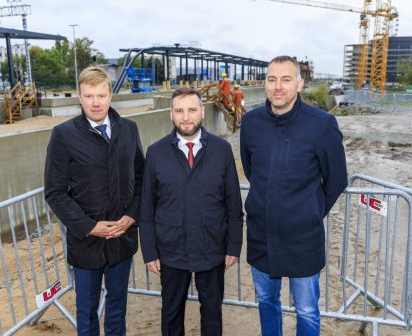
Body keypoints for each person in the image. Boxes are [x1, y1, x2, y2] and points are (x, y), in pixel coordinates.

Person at [240, 56, 348, 336]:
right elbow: (252, 170)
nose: (278, 87)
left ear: (299, 84)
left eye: (286, 79)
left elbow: (337, 179)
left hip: (303, 238)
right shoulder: (251, 123)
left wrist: (310, 211)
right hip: (261, 234)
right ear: (264, 83)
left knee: (307, 310)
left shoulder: (322, 124)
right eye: (272, 79)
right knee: (266, 301)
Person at [44, 66, 144, 336]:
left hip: (121, 239)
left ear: (111, 95)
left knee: (116, 307)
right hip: (86, 243)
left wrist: (132, 216)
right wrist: (88, 226)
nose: (96, 102)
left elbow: (141, 177)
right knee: (86, 311)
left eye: (101, 95)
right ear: (79, 96)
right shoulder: (63, 135)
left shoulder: (129, 130)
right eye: (89, 96)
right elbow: (54, 191)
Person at [139, 88, 243, 336]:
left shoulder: (221, 150)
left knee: (212, 313)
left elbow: (233, 203)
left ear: (203, 112)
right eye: (179, 111)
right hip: (170, 249)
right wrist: (150, 251)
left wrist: (233, 246)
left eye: (192, 110)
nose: (186, 117)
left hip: (212, 246)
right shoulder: (156, 153)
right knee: (171, 313)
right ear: (171, 115)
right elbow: (146, 206)